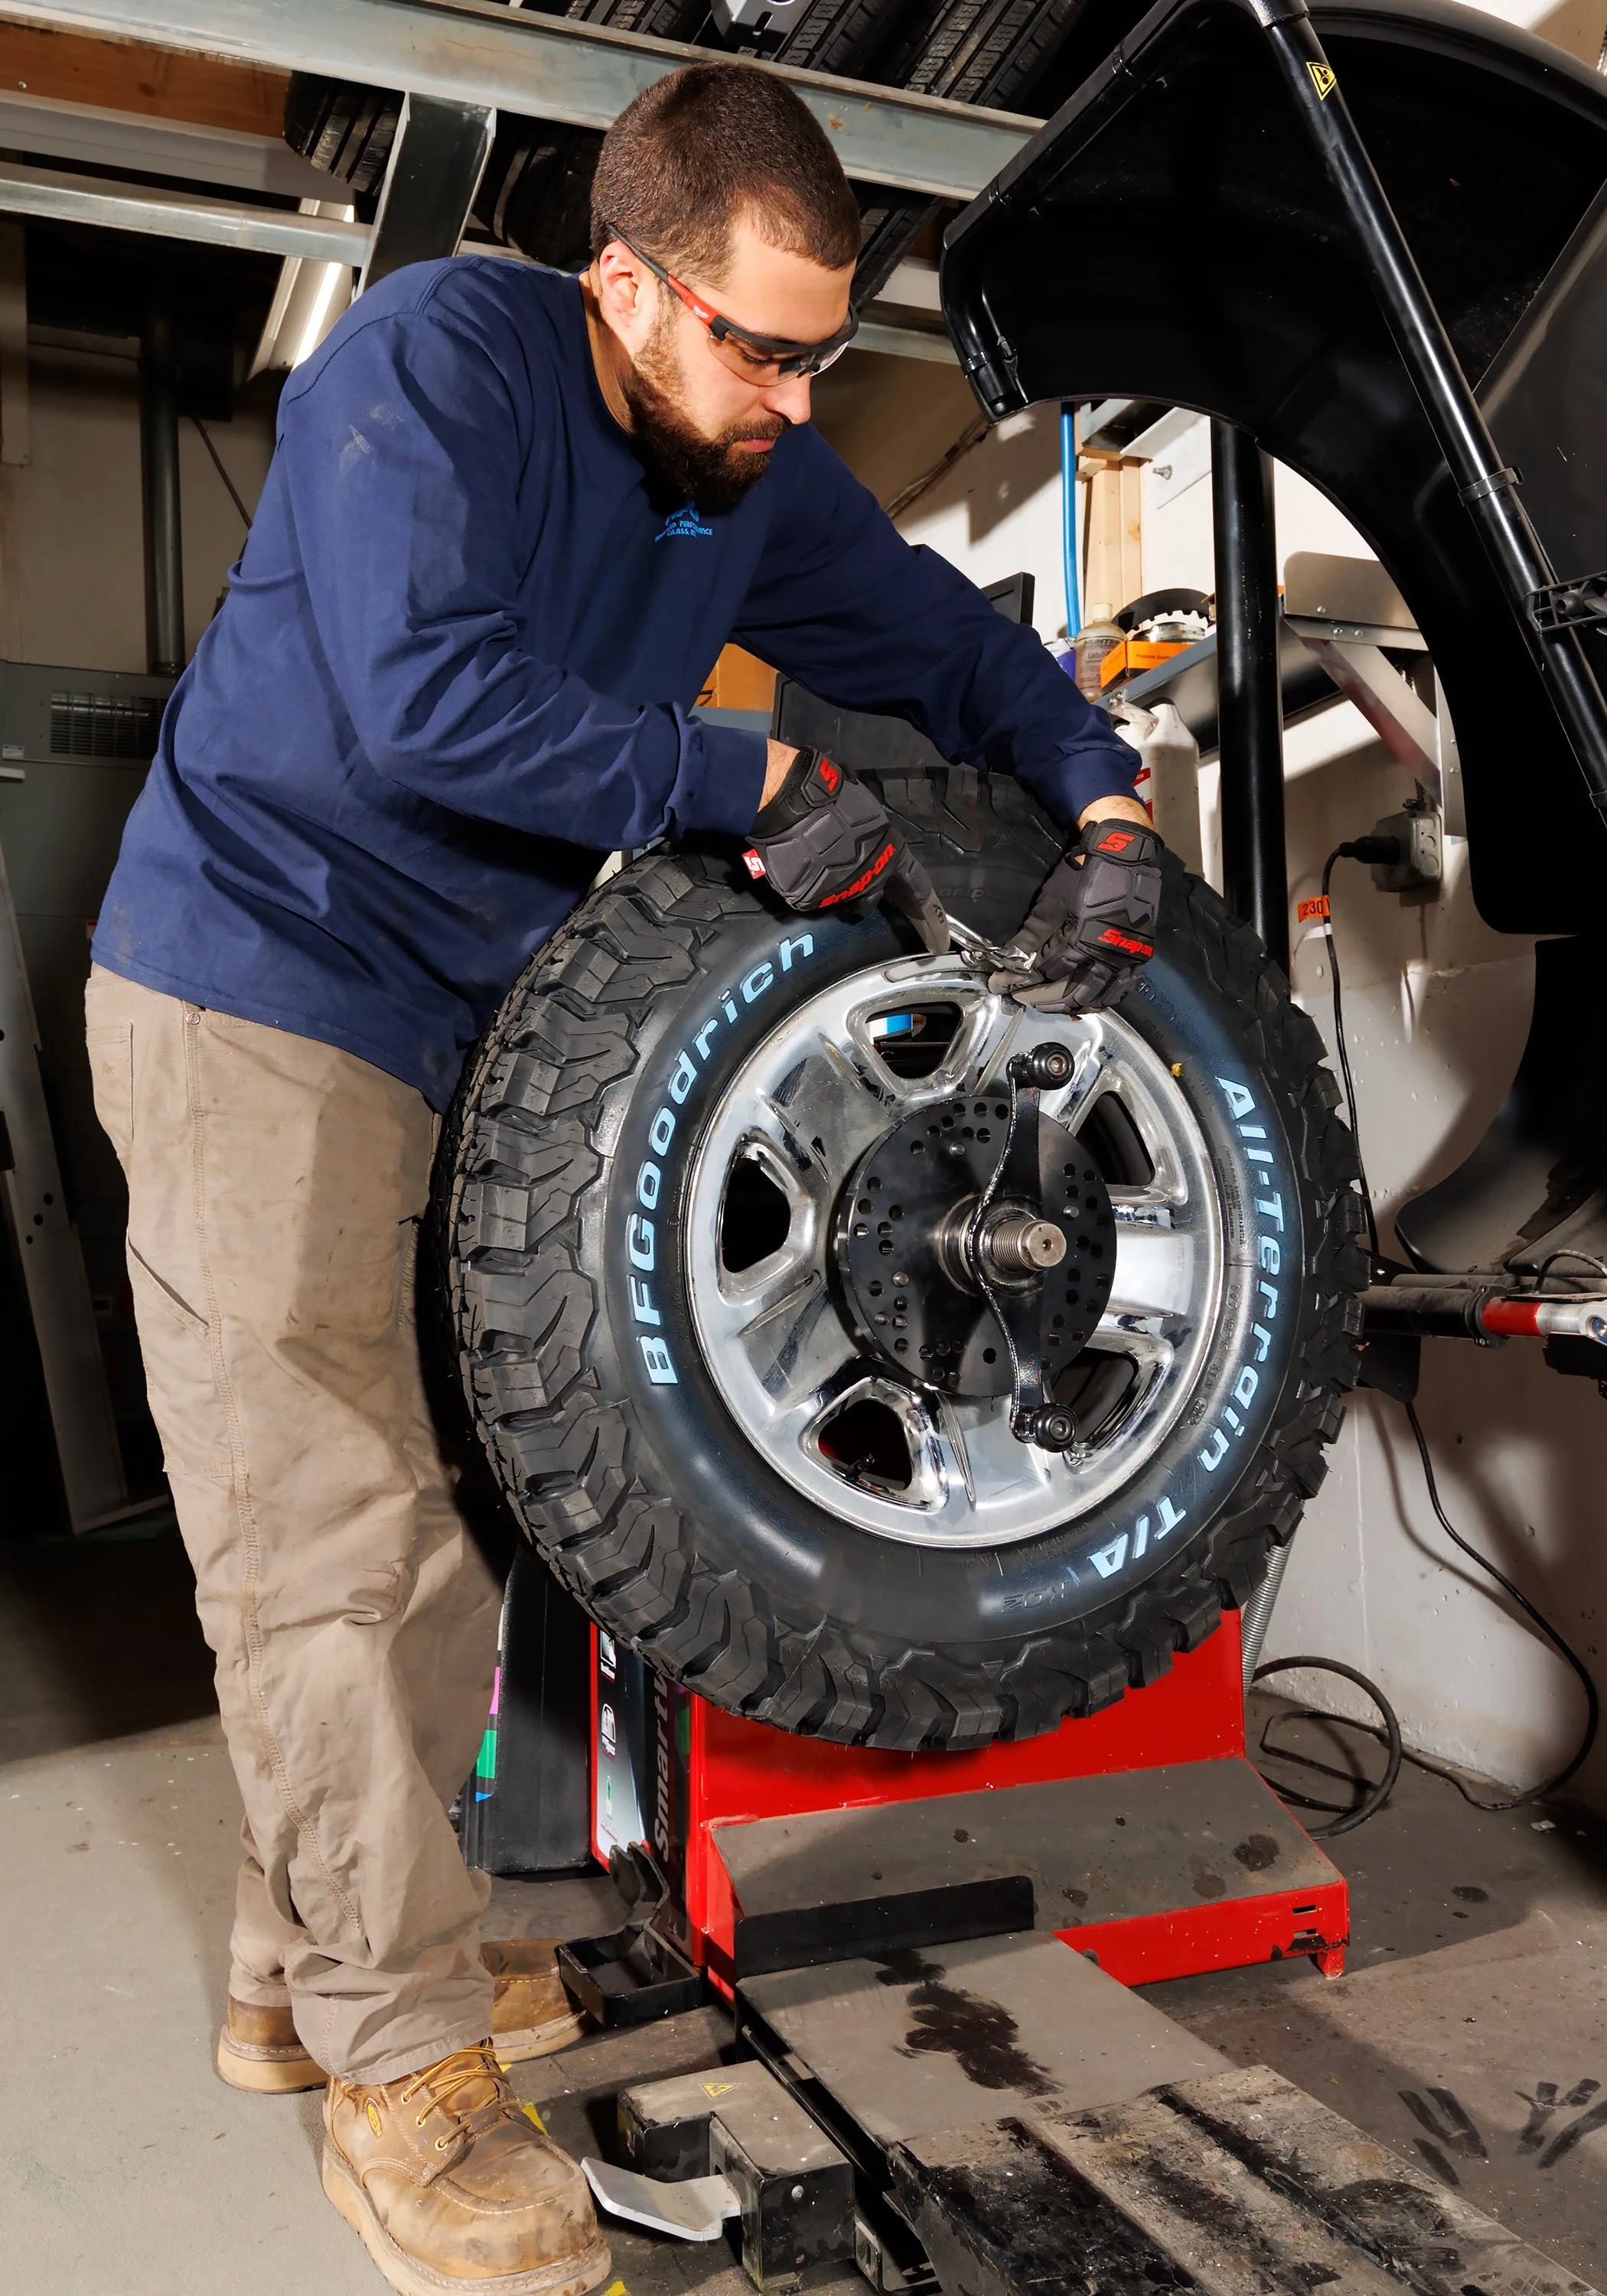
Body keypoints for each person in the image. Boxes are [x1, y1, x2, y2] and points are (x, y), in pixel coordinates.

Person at [84, 58, 1156, 2296]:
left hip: (472, 1022)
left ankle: (315, 1974)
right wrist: (738, 776)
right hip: (256, 989)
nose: (784, 397)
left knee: (460, 1508)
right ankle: (396, 2070)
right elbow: (411, 700)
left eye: (816, 351)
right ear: (624, 284)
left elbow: (947, 652)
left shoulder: (749, 464)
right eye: (748, 345)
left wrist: (1099, 788)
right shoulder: (431, 365)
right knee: (325, 1532)